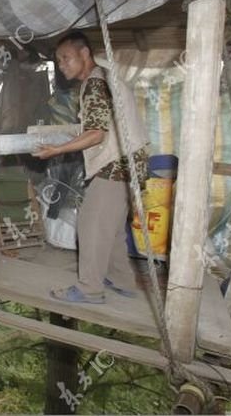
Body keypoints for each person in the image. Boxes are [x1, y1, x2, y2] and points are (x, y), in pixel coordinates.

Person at [33, 31, 150, 304]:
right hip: (132, 159)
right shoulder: (105, 77)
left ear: (84, 53)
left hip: (116, 162)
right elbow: (100, 124)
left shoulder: (95, 84)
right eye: (58, 62)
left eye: (66, 58)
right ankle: (122, 280)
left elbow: (97, 133)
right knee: (112, 227)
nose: (62, 66)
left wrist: (56, 149)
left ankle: (89, 289)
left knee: (90, 223)